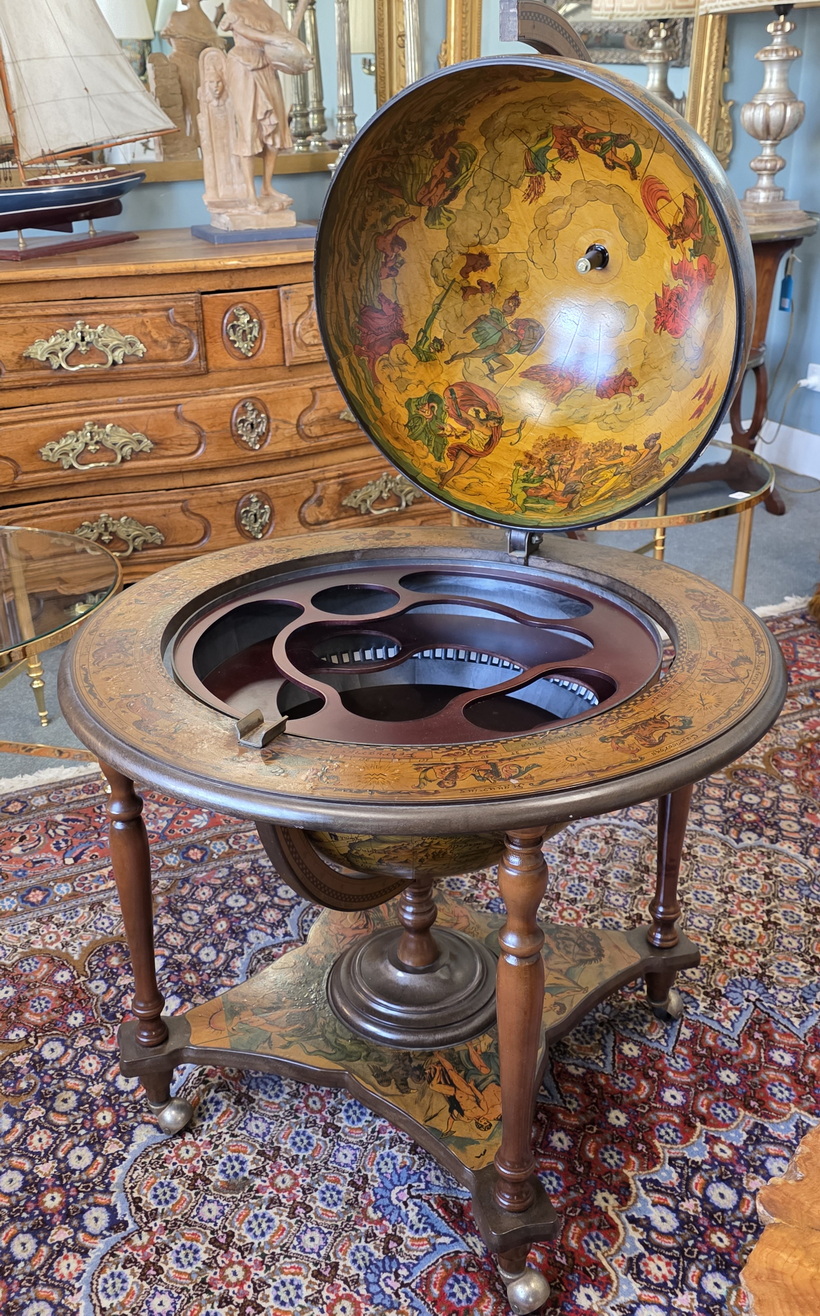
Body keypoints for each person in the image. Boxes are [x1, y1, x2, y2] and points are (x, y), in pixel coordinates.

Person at [218, 0, 313, 205]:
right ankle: (249, 193)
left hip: (268, 68)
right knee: (249, 126)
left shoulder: (272, 13)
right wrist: (275, 39)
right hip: (243, 66)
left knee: (274, 127)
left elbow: (285, 42)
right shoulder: (235, 5)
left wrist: (299, 58)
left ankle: (267, 186)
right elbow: (244, 30)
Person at [162, 0, 225, 147]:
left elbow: (169, 40)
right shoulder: (207, 23)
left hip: (178, 64)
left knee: (183, 108)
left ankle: (188, 144)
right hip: (198, 67)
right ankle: (199, 142)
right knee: (196, 107)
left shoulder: (175, 16)